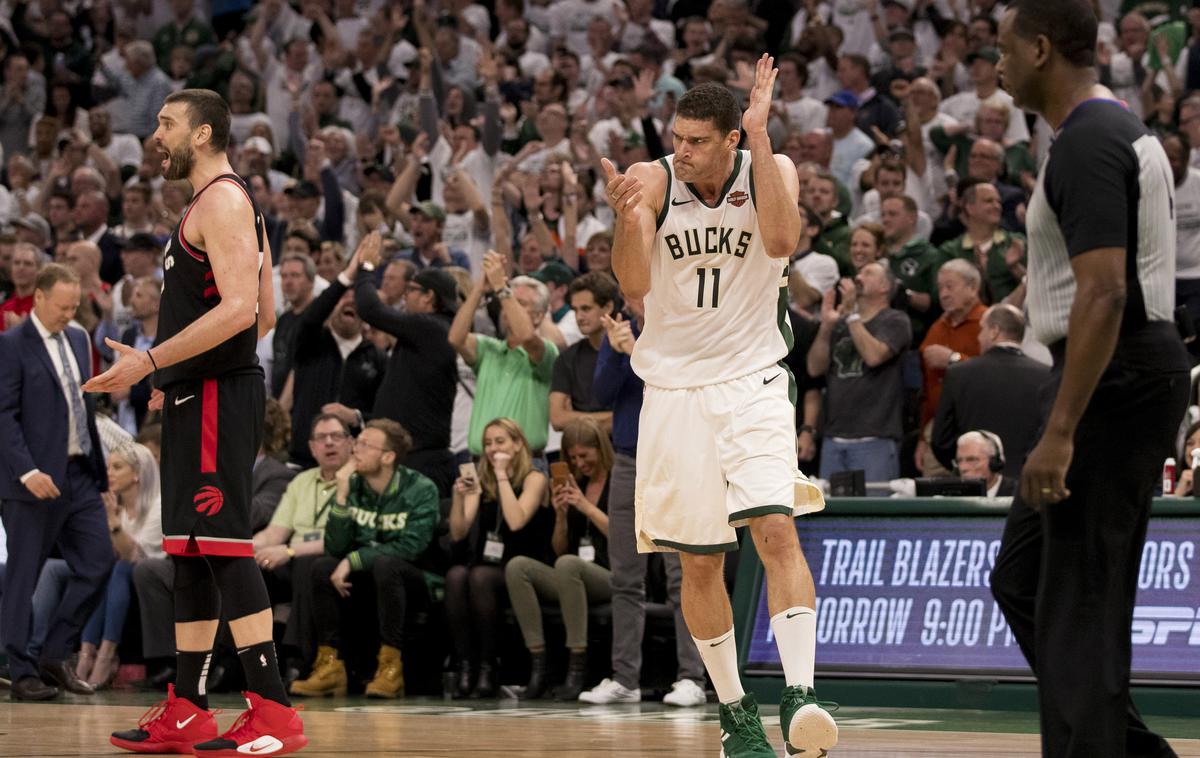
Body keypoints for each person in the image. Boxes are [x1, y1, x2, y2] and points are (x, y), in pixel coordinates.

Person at [600, 60, 836, 757]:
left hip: (753, 378)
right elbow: (635, 282)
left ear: (731, 139)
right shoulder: (652, 179)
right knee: (699, 563)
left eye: (698, 140)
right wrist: (623, 220)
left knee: (774, 527)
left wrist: (760, 138)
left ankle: (800, 693)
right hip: (673, 390)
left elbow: (782, 242)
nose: (682, 149)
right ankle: (735, 714)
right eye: (678, 136)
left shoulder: (774, 167)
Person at [989, 4, 1190, 756]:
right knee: (1026, 580)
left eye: (1004, 48)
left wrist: (1063, 430)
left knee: (1080, 604)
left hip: (1113, 371)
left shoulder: (1091, 140)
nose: (997, 64)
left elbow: (1103, 293)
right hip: (1111, 366)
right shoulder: (1094, 134)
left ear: (1041, 48)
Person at [83, 90, 306, 756]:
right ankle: (187, 708)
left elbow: (242, 312)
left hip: (216, 397)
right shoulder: (207, 205)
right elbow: (261, 309)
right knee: (186, 553)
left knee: (224, 548)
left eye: (166, 123)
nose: (155, 134)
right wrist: (171, 373)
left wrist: (154, 360)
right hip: (194, 393)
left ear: (203, 132)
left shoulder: (226, 201)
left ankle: (273, 711)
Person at [0, 263, 113, 701]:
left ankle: (53, 653)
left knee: (99, 562)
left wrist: (100, 473)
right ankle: (21, 670)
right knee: (23, 578)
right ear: (39, 299)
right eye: (62, 307)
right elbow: (4, 415)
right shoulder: (11, 345)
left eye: (74, 307)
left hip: (80, 473)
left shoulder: (79, 338)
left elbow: (83, 406)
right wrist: (26, 471)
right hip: (31, 480)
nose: (68, 314)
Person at [290, 420, 439, 699]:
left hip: (414, 580)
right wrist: (342, 496)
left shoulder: (421, 488)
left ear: (388, 457)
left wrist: (354, 560)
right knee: (322, 566)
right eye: (357, 443)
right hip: (369, 579)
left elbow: (411, 547)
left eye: (365, 445)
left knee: (386, 565)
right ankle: (330, 666)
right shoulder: (353, 483)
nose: (356, 450)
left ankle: (390, 669)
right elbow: (335, 547)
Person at [505, 418, 612, 701]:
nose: (579, 464)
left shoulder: (620, 480)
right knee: (518, 566)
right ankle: (539, 667)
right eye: (572, 458)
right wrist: (562, 516)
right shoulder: (576, 484)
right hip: (573, 575)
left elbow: (626, 538)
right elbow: (561, 548)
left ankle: (577, 665)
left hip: (614, 575)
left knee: (568, 565)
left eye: (584, 456)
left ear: (600, 449)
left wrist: (585, 506)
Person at [446, 418, 553, 699]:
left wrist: (503, 476)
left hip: (523, 566)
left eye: (500, 441)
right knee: (457, 576)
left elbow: (517, 521)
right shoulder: (479, 476)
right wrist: (459, 498)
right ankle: (466, 666)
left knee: (479, 577)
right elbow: (459, 531)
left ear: (518, 444)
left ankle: (489, 667)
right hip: (487, 564)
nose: (493, 449)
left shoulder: (535, 478)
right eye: (488, 444)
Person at [76, 443, 164, 689]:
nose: (109, 474)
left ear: (137, 473)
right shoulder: (117, 505)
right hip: (119, 578)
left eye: (117, 467)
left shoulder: (159, 506)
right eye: (108, 467)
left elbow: (132, 556)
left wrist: (112, 521)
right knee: (91, 570)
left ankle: (105, 655)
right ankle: (84, 654)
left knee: (120, 568)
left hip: (155, 579)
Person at [931, 304, 1049, 477]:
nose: (978, 337)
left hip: (976, 487)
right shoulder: (1046, 375)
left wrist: (968, 466)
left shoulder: (958, 374)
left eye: (981, 330)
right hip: (1027, 483)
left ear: (994, 331)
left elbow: (941, 440)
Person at [953, 430, 1016, 497]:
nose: (963, 468)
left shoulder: (1018, 494)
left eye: (971, 460)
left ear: (994, 462)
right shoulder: (952, 495)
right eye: (959, 461)